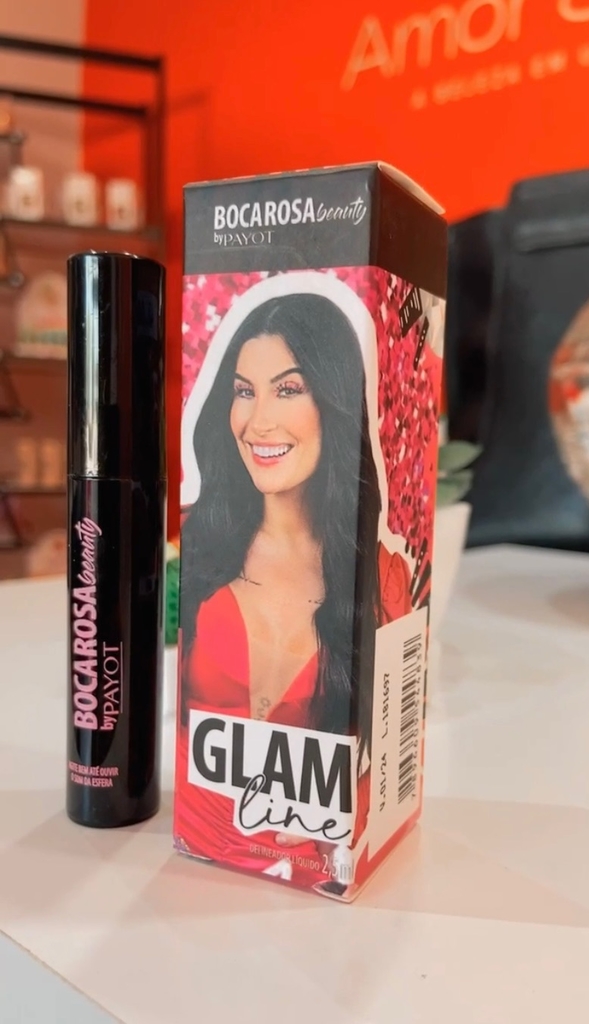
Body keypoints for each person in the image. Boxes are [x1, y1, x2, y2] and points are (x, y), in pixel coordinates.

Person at [175, 293, 412, 886]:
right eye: (244, 390)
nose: (258, 421)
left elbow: (390, 751)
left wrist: (347, 817)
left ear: (333, 398)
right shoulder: (200, 540)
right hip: (192, 862)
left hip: (313, 880)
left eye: (288, 388)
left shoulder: (381, 580)